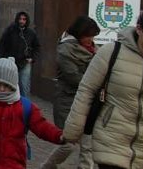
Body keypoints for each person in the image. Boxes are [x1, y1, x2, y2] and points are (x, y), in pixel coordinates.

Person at [63, 5, 143, 169]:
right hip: (111, 141)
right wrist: (73, 130)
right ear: (140, 29)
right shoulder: (110, 52)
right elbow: (86, 90)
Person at [0, 58, 65, 169]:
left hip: (13, 164)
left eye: (6, 85)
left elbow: (41, 126)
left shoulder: (25, 107)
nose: (2, 89)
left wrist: (58, 135)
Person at [41, 15, 100, 169]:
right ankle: (49, 166)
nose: (91, 39)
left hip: (89, 102)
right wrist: (96, 83)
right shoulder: (65, 50)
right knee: (68, 143)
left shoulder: (94, 50)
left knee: (88, 143)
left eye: (93, 36)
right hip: (68, 101)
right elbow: (73, 76)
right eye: (89, 36)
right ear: (80, 33)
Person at [0, 11, 39, 97]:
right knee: (10, 85)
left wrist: (32, 58)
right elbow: (2, 44)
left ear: (26, 20)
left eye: (24, 19)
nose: (22, 21)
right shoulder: (10, 31)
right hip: (11, 62)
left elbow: (37, 47)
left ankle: (24, 107)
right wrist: (5, 58)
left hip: (25, 62)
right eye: (20, 19)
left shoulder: (31, 33)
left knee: (24, 86)